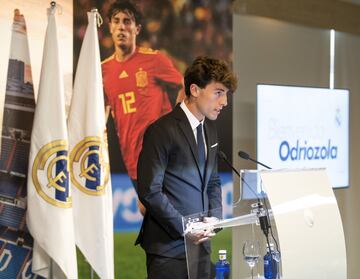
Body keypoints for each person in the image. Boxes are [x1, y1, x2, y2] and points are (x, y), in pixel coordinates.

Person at [136, 56, 237, 279]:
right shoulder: (161, 130)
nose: (224, 102)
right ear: (194, 89)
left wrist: (215, 217)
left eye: (226, 94)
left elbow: (212, 181)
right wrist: (185, 227)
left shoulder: (210, 129)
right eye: (218, 92)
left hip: (201, 247)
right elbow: (150, 191)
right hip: (168, 252)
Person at [101, 0, 183, 214]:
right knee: (147, 212)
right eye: (116, 21)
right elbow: (103, 109)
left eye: (127, 21)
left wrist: (176, 120)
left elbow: (185, 85)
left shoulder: (154, 60)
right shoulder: (103, 70)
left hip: (162, 154)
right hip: (131, 156)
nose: (121, 27)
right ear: (110, 27)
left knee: (164, 212)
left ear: (137, 29)